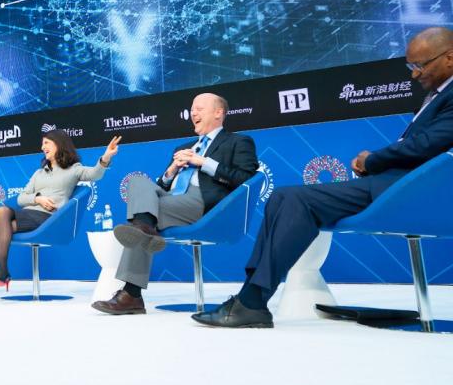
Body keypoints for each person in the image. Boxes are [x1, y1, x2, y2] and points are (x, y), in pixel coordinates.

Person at [193, 26, 453, 328]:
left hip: (410, 190)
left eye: (420, 65)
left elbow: (427, 145)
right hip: (396, 184)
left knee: (298, 201)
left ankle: (251, 302)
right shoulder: (438, 95)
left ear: (449, 58)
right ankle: (249, 296)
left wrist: (373, 160)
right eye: (411, 66)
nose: (414, 74)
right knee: (282, 196)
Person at [93, 93, 257, 315]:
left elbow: (247, 179)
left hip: (206, 204)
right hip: (173, 198)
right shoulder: (184, 146)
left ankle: (131, 294)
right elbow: (162, 186)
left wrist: (203, 162)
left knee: (142, 219)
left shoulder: (238, 141)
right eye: (192, 110)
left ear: (218, 113)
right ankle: (145, 227)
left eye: (199, 108)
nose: (193, 113)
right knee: (138, 182)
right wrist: (172, 170)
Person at [0, 130, 122, 305]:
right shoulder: (39, 173)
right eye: (42, 144)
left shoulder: (74, 169)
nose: (42, 147)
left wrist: (106, 156)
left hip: (48, 219)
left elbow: (95, 174)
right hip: (28, 213)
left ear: (59, 144)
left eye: (46, 143)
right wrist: (37, 198)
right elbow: (21, 198)